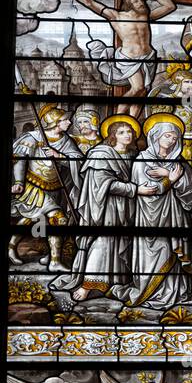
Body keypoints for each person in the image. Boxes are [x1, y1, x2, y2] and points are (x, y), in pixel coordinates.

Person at [53, 116, 150, 303]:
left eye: (129, 131)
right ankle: (88, 285)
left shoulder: (133, 155)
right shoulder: (101, 154)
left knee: (122, 243)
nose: (127, 135)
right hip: (106, 207)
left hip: (128, 207)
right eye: (121, 132)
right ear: (112, 135)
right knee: (103, 241)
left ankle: (113, 282)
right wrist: (135, 190)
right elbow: (104, 185)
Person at [67, 0, 175, 116]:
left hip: (148, 57)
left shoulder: (146, 17)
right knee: (138, 87)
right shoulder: (116, 16)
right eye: (136, 1)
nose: (141, 3)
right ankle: (118, 117)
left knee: (142, 92)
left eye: (141, 0)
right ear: (128, 4)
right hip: (129, 58)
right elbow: (90, 3)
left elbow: (170, 6)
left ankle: (132, 120)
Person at [128, 113, 192, 311]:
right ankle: (152, 292)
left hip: (176, 215)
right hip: (149, 217)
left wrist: (171, 177)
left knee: (173, 252)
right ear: (155, 135)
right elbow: (149, 191)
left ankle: (177, 293)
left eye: (175, 137)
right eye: (168, 135)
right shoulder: (142, 160)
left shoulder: (178, 162)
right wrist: (170, 178)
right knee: (156, 252)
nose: (172, 140)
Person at [9, 104, 81, 271]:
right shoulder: (33, 138)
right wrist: (19, 182)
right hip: (34, 186)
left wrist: (59, 156)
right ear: (55, 122)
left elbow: (77, 159)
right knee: (59, 219)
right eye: (65, 120)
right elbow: (20, 160)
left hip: (56, 187)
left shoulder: (66, 140)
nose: (69, 122)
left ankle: (11, 246)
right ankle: (55, 261)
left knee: (33, 218)